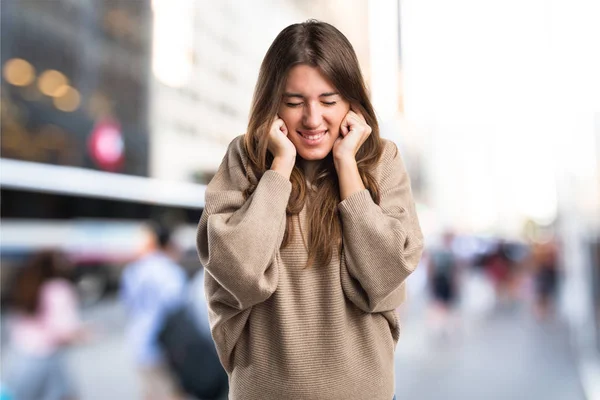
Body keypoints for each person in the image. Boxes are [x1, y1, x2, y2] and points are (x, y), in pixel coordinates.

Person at [196, 20, 423, 400]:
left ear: (352, 102)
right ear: (272, 103)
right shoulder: (245, 158)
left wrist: (347, 167)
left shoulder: (382, 160)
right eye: (294, 102)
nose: (313, 118)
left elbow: (384, 274)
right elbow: (239, 272)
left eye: (329, 101)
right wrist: (279, 167)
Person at [4, 250, 88, 400]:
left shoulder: (24, 285)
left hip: (20, 358)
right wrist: (85, 333)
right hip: (47, 360)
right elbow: (64, 331)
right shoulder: (58, 289)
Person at [120, 223, 187, 400]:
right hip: (162, 345)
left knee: (150, 393)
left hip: (138, 341)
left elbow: (128, 304)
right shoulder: (169, 271)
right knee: (172, 393)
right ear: (168, 244)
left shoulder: (133, 269)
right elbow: (177, 309)